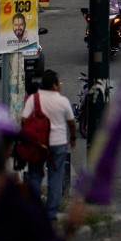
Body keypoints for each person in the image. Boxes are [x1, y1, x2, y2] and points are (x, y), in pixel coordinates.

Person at [20, 70, 76, 220]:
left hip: (37, 144)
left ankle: (35, 211)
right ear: (53, 86)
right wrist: (73, 138)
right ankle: (51, 214)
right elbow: (71, 123)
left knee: (35, 176)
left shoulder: (33, 99)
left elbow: (24, 120)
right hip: (58, 144)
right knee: (55, 179)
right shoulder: (62, 101)